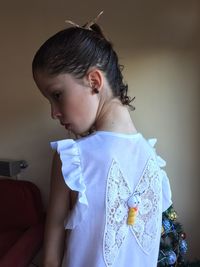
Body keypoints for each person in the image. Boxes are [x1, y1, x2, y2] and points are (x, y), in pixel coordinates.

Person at [32, 12, 172, 267]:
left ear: (94, 81)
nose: (54, 113)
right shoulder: (153, 160)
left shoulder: (72, 159)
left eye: (57, 95)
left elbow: (51, 258)